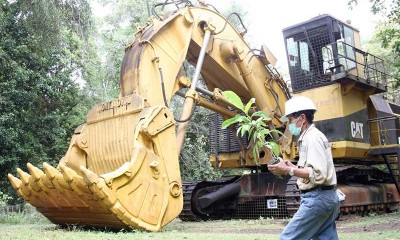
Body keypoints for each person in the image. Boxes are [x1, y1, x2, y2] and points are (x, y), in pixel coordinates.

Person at [268, 96, 339, 240]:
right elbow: (312, 169)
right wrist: (291, 166)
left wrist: (288, 170)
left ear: (302, 118)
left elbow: (318, 174)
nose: (289, 124)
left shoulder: (312, 138)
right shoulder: (309, 137)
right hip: (327, 197)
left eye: (290, 120)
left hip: (317, 199)